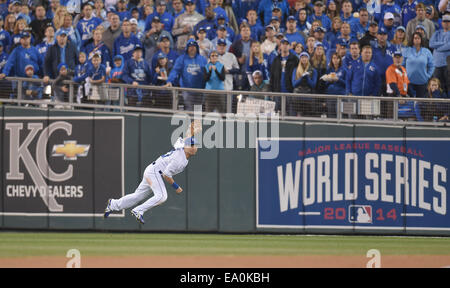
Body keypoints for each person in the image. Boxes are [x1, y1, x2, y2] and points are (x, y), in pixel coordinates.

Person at [104, 130, 200, 224]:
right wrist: (176, 187)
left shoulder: (180, 146)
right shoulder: (179, 159)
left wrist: (192, 128)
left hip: (152, 170)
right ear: (185, 147)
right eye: (191, 145)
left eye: (195, 145)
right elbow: (166, 175)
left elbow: (187, 136)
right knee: (162, 196)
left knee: (137, 196)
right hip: (155, 173)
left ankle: (113, 204)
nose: (194, 147)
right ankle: (138, 211)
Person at [165, 39, 207, 111]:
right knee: (189, 111)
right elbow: (175, 71)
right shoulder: (182, 59)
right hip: (187, 90)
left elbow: (207, 73)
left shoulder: (202, 59)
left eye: (194, 46)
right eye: (190, 46)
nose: (192, 48)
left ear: (197, 48)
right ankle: (190, 122)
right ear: (187, 48)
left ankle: (196, 122)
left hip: (200, 90)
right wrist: (170, 81)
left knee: (198, 112)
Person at [270, 37, 299, 112]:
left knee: (291, 114)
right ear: (280, 46)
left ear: (290, 46)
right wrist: (272, 91)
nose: (285, 46)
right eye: (283, 44)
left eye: (287, 44)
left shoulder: (295, 59)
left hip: (290, 91)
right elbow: (272, 76)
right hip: (278, 91)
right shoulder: (276, 60)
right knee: (277, 114)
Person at [403, 32, 434, 98]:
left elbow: (431, 65)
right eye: (415, 38)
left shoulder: (427, 51)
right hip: (408, 81)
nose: (416, 39)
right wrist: (403, 77)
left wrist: (428, 76)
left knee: (420, 103)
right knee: (409, 102)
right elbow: (402, 65)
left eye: (418, 38)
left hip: (422, 81)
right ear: (412, 39)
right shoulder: (407, 50)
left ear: (421, 40)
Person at [429, 14, 450, 96]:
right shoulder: (437, 33)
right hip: (437, 64)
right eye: (444, 21)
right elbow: (431, 44)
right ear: (442, 23)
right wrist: (443, 44)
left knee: (448, 85)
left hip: (447, 64)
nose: (446, 23)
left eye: (448, 21)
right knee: (437, 85)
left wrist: (438, 48)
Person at [291, 51, 317, 116]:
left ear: (308, 59)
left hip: (308, 98)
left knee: (308, 117)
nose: (304, 59)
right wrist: (302, 77)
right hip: (297, 98)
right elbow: (294, 84)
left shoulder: (313, 70)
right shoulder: (295, 70)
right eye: (302, 57)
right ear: (300, 59)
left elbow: (313, 85)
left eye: (305, 57)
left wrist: (307, 77)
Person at [323, 52, 346, 117]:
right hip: (330, 95)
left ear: (340, 60)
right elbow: (325, 84)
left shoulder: (344, 70)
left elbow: (346, 83)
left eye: (337, 58)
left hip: (340, 95)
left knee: (340, 114)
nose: (335, 60)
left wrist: (338, 79)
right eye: (334, 58)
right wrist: (329, 80)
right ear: (331, 60)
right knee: (331, 114)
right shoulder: (329, 70)